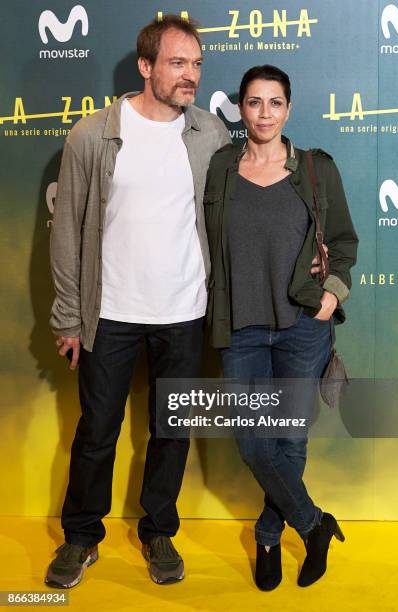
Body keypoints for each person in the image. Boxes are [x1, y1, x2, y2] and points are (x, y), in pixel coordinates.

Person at [45, 15, 232, 588]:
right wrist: (69, 316)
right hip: (112, 313)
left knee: (172, 431)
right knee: (97, 429)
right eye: (178, 63)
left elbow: (232, 220)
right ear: (146, 66)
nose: (191, 75)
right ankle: (81, 537)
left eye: (197, 64)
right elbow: (67, 231)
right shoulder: (91, 133)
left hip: (183, 313)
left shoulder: (211, 135)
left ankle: (158, 530)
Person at [204, 65, 358, 590]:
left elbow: (343, 243)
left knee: (289, 440)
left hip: (301, 326)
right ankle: (315, 524)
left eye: (274, 103)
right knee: (253, 443)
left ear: (288, 109)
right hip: (242, 325)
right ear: (240, 109)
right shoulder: (221, 167)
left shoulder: (315, 169)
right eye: (253, 102)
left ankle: (269, 536)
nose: (264, 113)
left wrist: (329, 297)